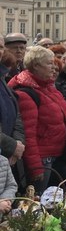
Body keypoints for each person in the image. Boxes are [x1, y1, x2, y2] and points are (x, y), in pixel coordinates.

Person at [8, 46, 66, 194]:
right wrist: (36, 167)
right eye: (49, 63)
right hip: (43, 159)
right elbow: (28, 134)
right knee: (40, 201)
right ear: (36, 66)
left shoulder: (47, 87)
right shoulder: (26, 93)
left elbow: (52, 121)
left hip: (57, 153)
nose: (54, 66)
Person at [0, 34, 26, 168]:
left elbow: (16, 115)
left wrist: (18, 144)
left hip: (7, 157)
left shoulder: (2, 78)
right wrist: (12, 145)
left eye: (0, 47)